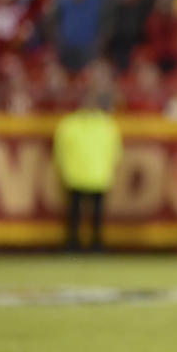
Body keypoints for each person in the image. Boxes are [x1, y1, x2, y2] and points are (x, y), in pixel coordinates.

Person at [54, 90, 123, 252]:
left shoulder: (104, 124)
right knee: (75, 214)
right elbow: (61, 150)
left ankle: (94, 243)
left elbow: (115, 151)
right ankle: (75, 242)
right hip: (77, 175)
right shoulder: (73, 124)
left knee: (95, 216)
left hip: (96, 175)